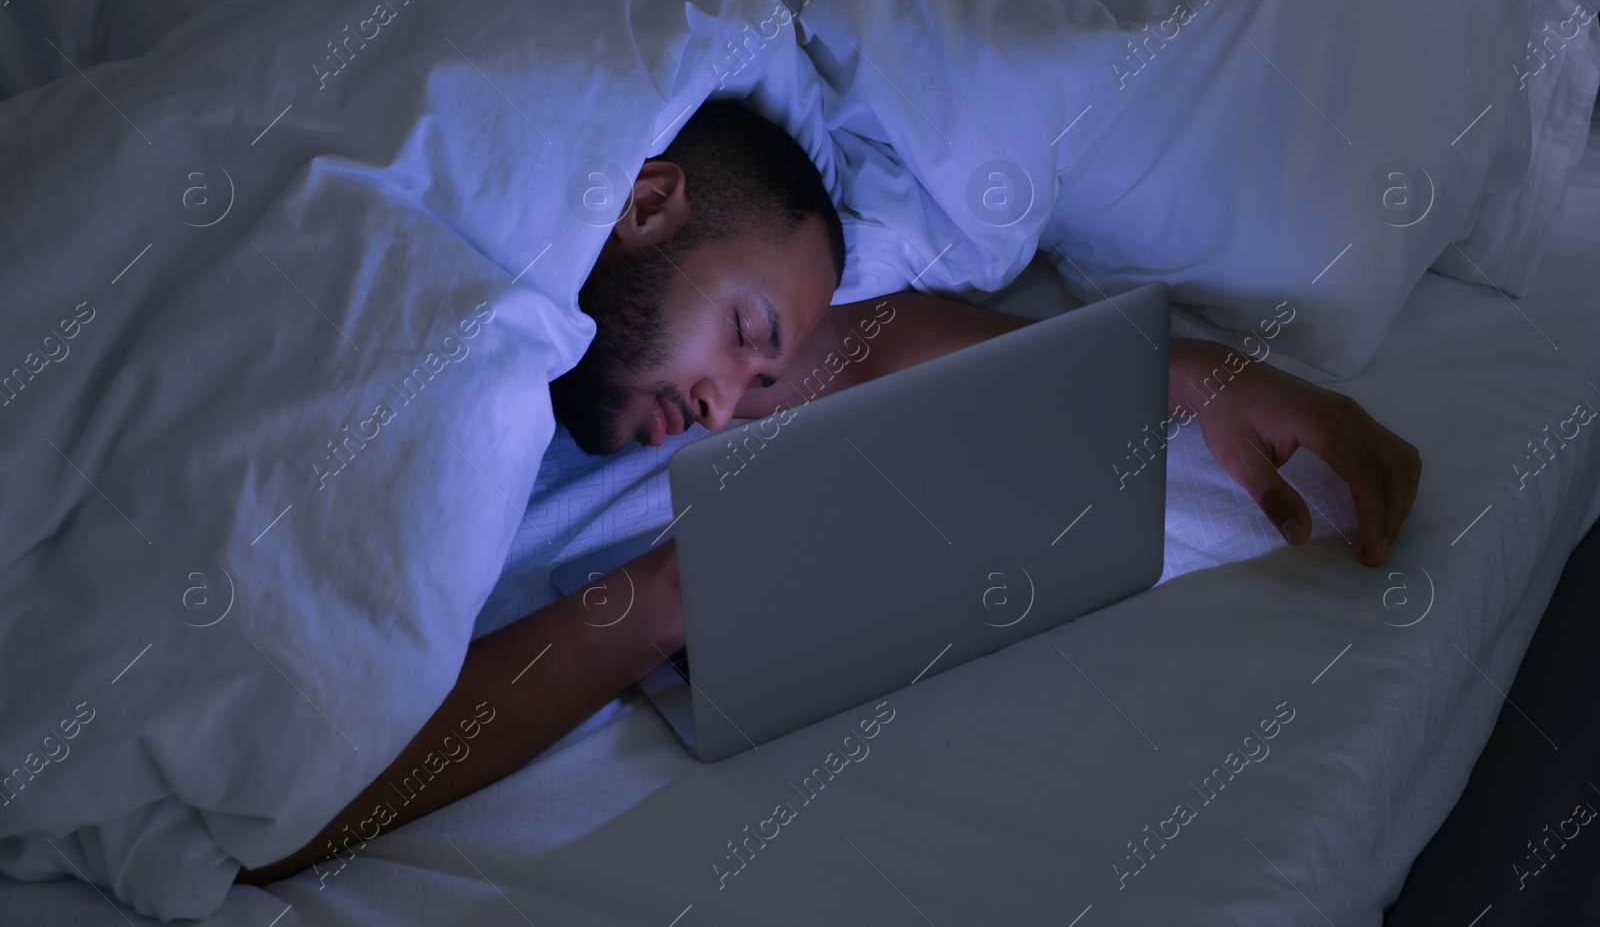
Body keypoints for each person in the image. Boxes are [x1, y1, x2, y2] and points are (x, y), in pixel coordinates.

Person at [237, 100, 1421, 886]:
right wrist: (654, 605)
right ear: (644, 202)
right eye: (744, 336)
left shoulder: (649, 349)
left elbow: (874, 337)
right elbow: (286, 814)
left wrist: (1208, 372)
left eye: (758, 379)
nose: (723, 405)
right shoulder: (432, 332)